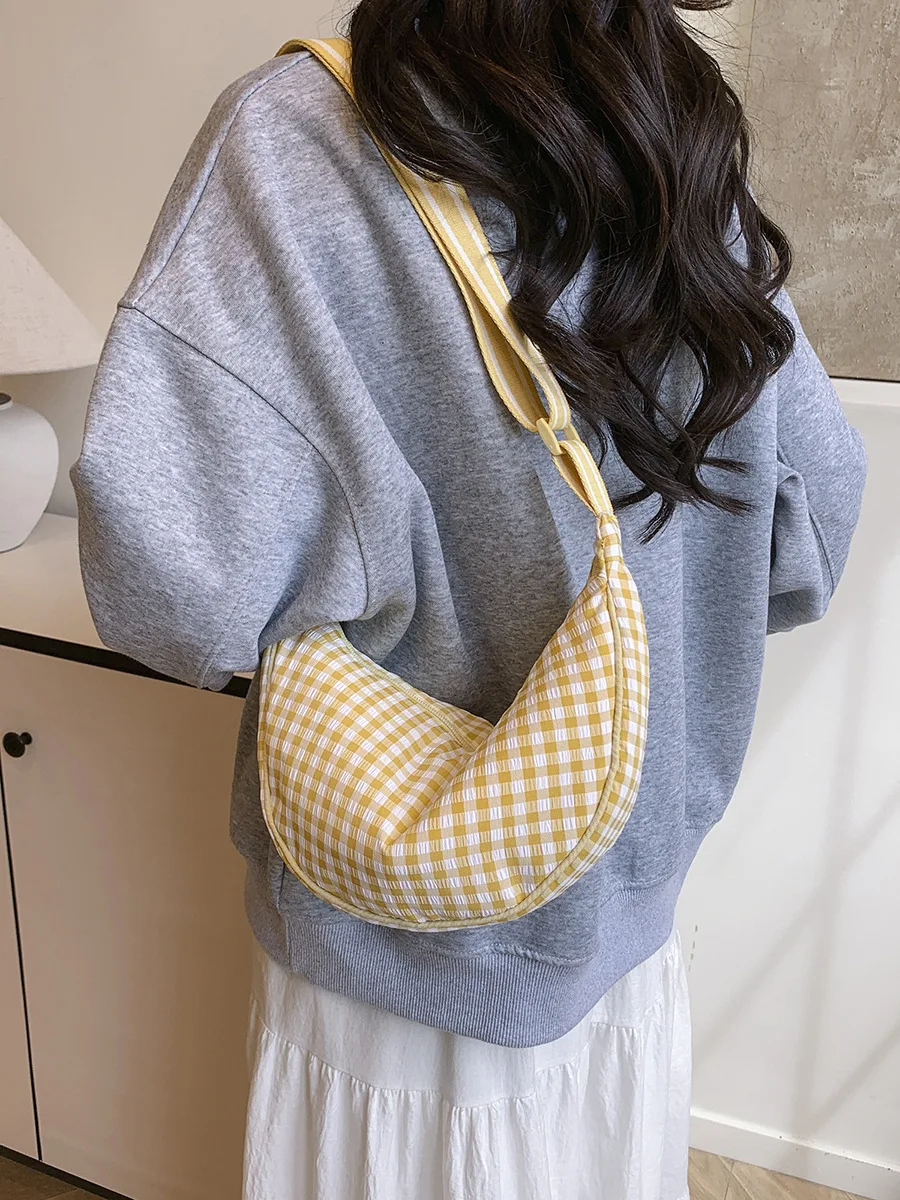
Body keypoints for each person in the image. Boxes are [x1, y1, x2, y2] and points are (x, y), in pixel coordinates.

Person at [71, 2, 867, 1197]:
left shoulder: (298, 136)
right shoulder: (671, 128)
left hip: (385, 979)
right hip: (625, 948)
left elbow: (172, 589)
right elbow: (809, 528)